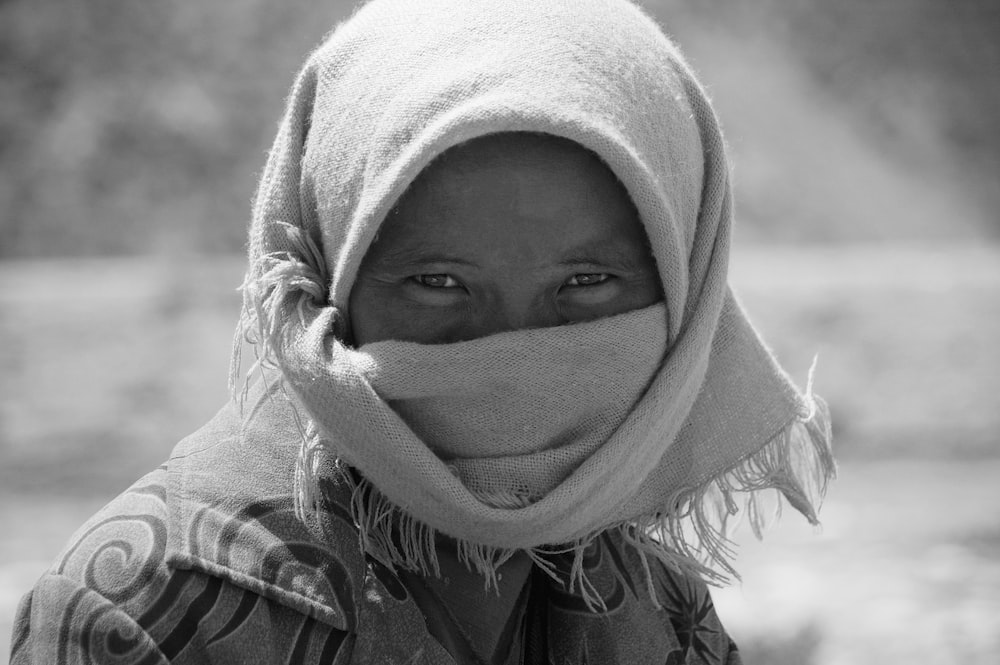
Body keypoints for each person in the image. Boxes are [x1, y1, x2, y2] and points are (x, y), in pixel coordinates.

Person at [10, 0, 835, 663]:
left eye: (586, 285)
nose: (511, 353)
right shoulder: (148, 614)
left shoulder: (657, 608)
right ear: (333, 271)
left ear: (684, 296)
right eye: (438, 284)